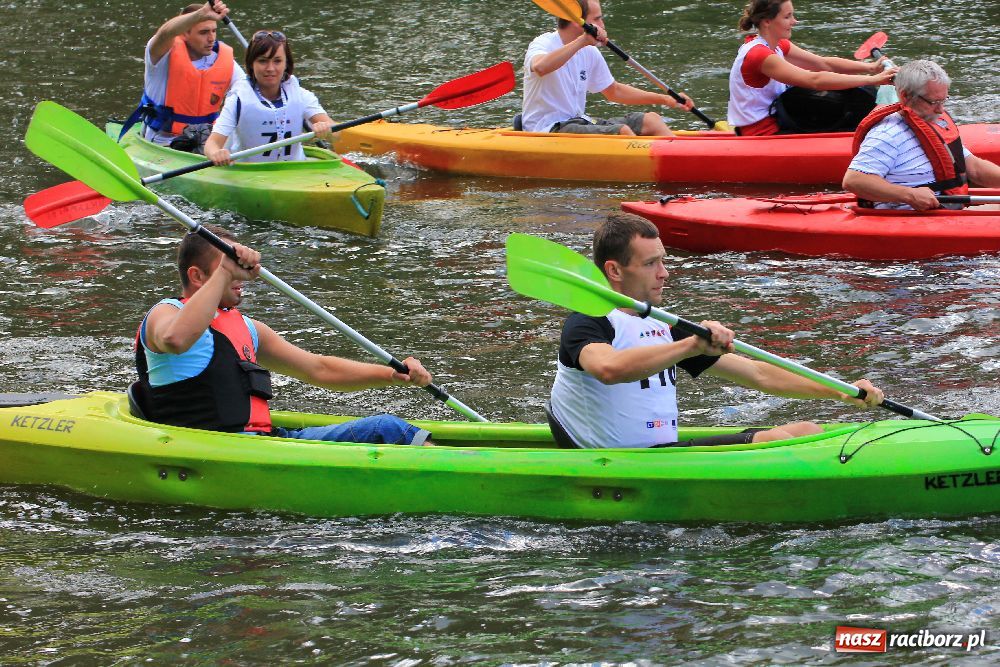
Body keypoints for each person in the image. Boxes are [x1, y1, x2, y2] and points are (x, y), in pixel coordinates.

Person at [548, 213, 885, 449]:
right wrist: (691, 346)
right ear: (614, 270)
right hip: (613, 463)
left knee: (807, 430)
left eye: (663, 261)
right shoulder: (587, 320)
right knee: (775, 441)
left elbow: (758, 374)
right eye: (651, 264)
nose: (664, 273)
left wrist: (839, 391)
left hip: (660, 452)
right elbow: (608, 369)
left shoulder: (662, 324)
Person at [133, 226, 432, 446]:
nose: (240, 275)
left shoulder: (248, 328)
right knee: (388, 429)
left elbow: (319, 369)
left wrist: (392, 375)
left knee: (385, 428)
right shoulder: (165, 313)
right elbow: (175, 340)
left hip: (264, 442)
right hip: (218, 448)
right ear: (197, 276)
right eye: (229, 267)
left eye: (237, 266)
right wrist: (225, 272)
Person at [520, 0, 694, 136]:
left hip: (579, 122)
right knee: (622, 131)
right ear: (577, 22)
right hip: (546, 129)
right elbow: (541, 67)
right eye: (597, 19)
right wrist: (583, 40)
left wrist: (665, 99)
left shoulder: (589, 51)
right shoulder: (543, 43)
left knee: (652, 120)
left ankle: (685, 161)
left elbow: (614, 91)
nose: (602, 25)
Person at [843, 60, 1000, 210]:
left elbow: (974, 168)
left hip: (948, 210)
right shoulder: (887, 134)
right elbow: (854, 180)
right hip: (913, 219)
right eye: (933, 102)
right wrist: (909, 195)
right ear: (905, 96)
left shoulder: (933, 122)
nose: (940, 110)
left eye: (943, 100)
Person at [728, 0, 896, 136]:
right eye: (788, 17)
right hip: (763, 132)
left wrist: (871, 68)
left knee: (856, 98)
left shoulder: (778, 44)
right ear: (767, 22)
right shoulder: (759, 55)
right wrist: (875, 79)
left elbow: (824, 64)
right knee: (849, 109)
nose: (794, 21)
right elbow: (814, 80)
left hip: (781, 117)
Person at [119, 2, 246, 152]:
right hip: (163, 141)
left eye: (213, 31)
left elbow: (247, 91)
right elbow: (166, 32)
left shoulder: (223, 60)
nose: (211, 38)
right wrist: (201, 13)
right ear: (185, 33)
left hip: (207, 141)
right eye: (203, 32)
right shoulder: (161, 54)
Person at [205, 30, 336, 165]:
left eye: (277, 61)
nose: (270, 68)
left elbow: (337, 134)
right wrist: (216, 154)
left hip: (295, 171)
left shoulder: (301, 94)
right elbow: (212, 144)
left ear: (286, 64)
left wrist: (327, 130)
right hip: (250, 173)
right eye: (263, 61)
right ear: (251, 64)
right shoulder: (238, 100)